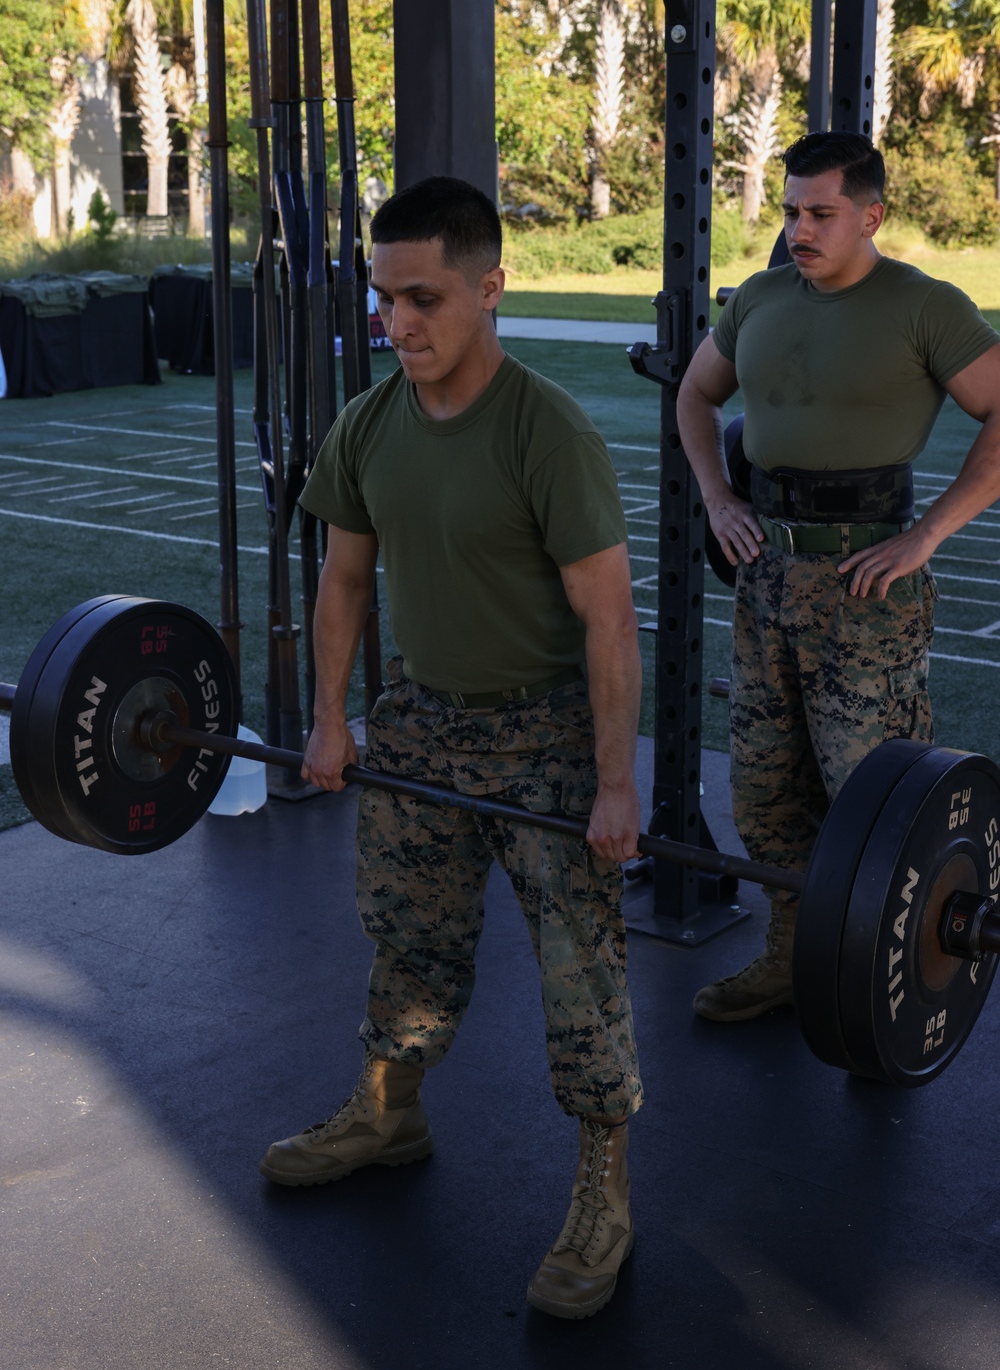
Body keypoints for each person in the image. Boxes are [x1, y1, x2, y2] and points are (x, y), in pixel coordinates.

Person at [259, 175, 643, 1320]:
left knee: (579, 974)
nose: (398, 322)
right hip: (420, 719)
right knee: (408, 937)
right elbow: (341, 577)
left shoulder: (546, 432)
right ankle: (390, 1108)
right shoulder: (368, 422)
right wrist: (331, 716)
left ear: (490, 288)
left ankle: (605, 1188)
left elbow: (609, 617)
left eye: (422, 296)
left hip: (541, 734)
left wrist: (616, 781)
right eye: (384, 299)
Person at [677, 130, 1000, 1022]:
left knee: (874, 801)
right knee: (764, 790)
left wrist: (927, 535)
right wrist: (717, 498)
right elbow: (696, 395)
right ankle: (790, 955)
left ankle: (891, 987)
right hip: (766, 578)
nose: (800, 230)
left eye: (821, 213)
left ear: (872, 215)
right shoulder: (759, 299)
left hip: (869, 592)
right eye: (790, 211)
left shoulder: (925, 306)